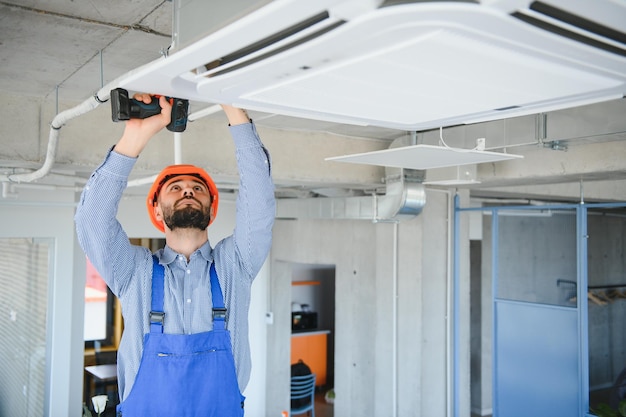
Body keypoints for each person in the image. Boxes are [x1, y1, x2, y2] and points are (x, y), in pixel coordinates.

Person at [75, 93, 275, 416]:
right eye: (175, 188)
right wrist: (134, 138)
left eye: (197, 189)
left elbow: (260, 204)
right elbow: (91, 222)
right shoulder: (135, 273)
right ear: (156, 209)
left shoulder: (235, 264)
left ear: (211, 212)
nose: (188, 192)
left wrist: (230, 101)